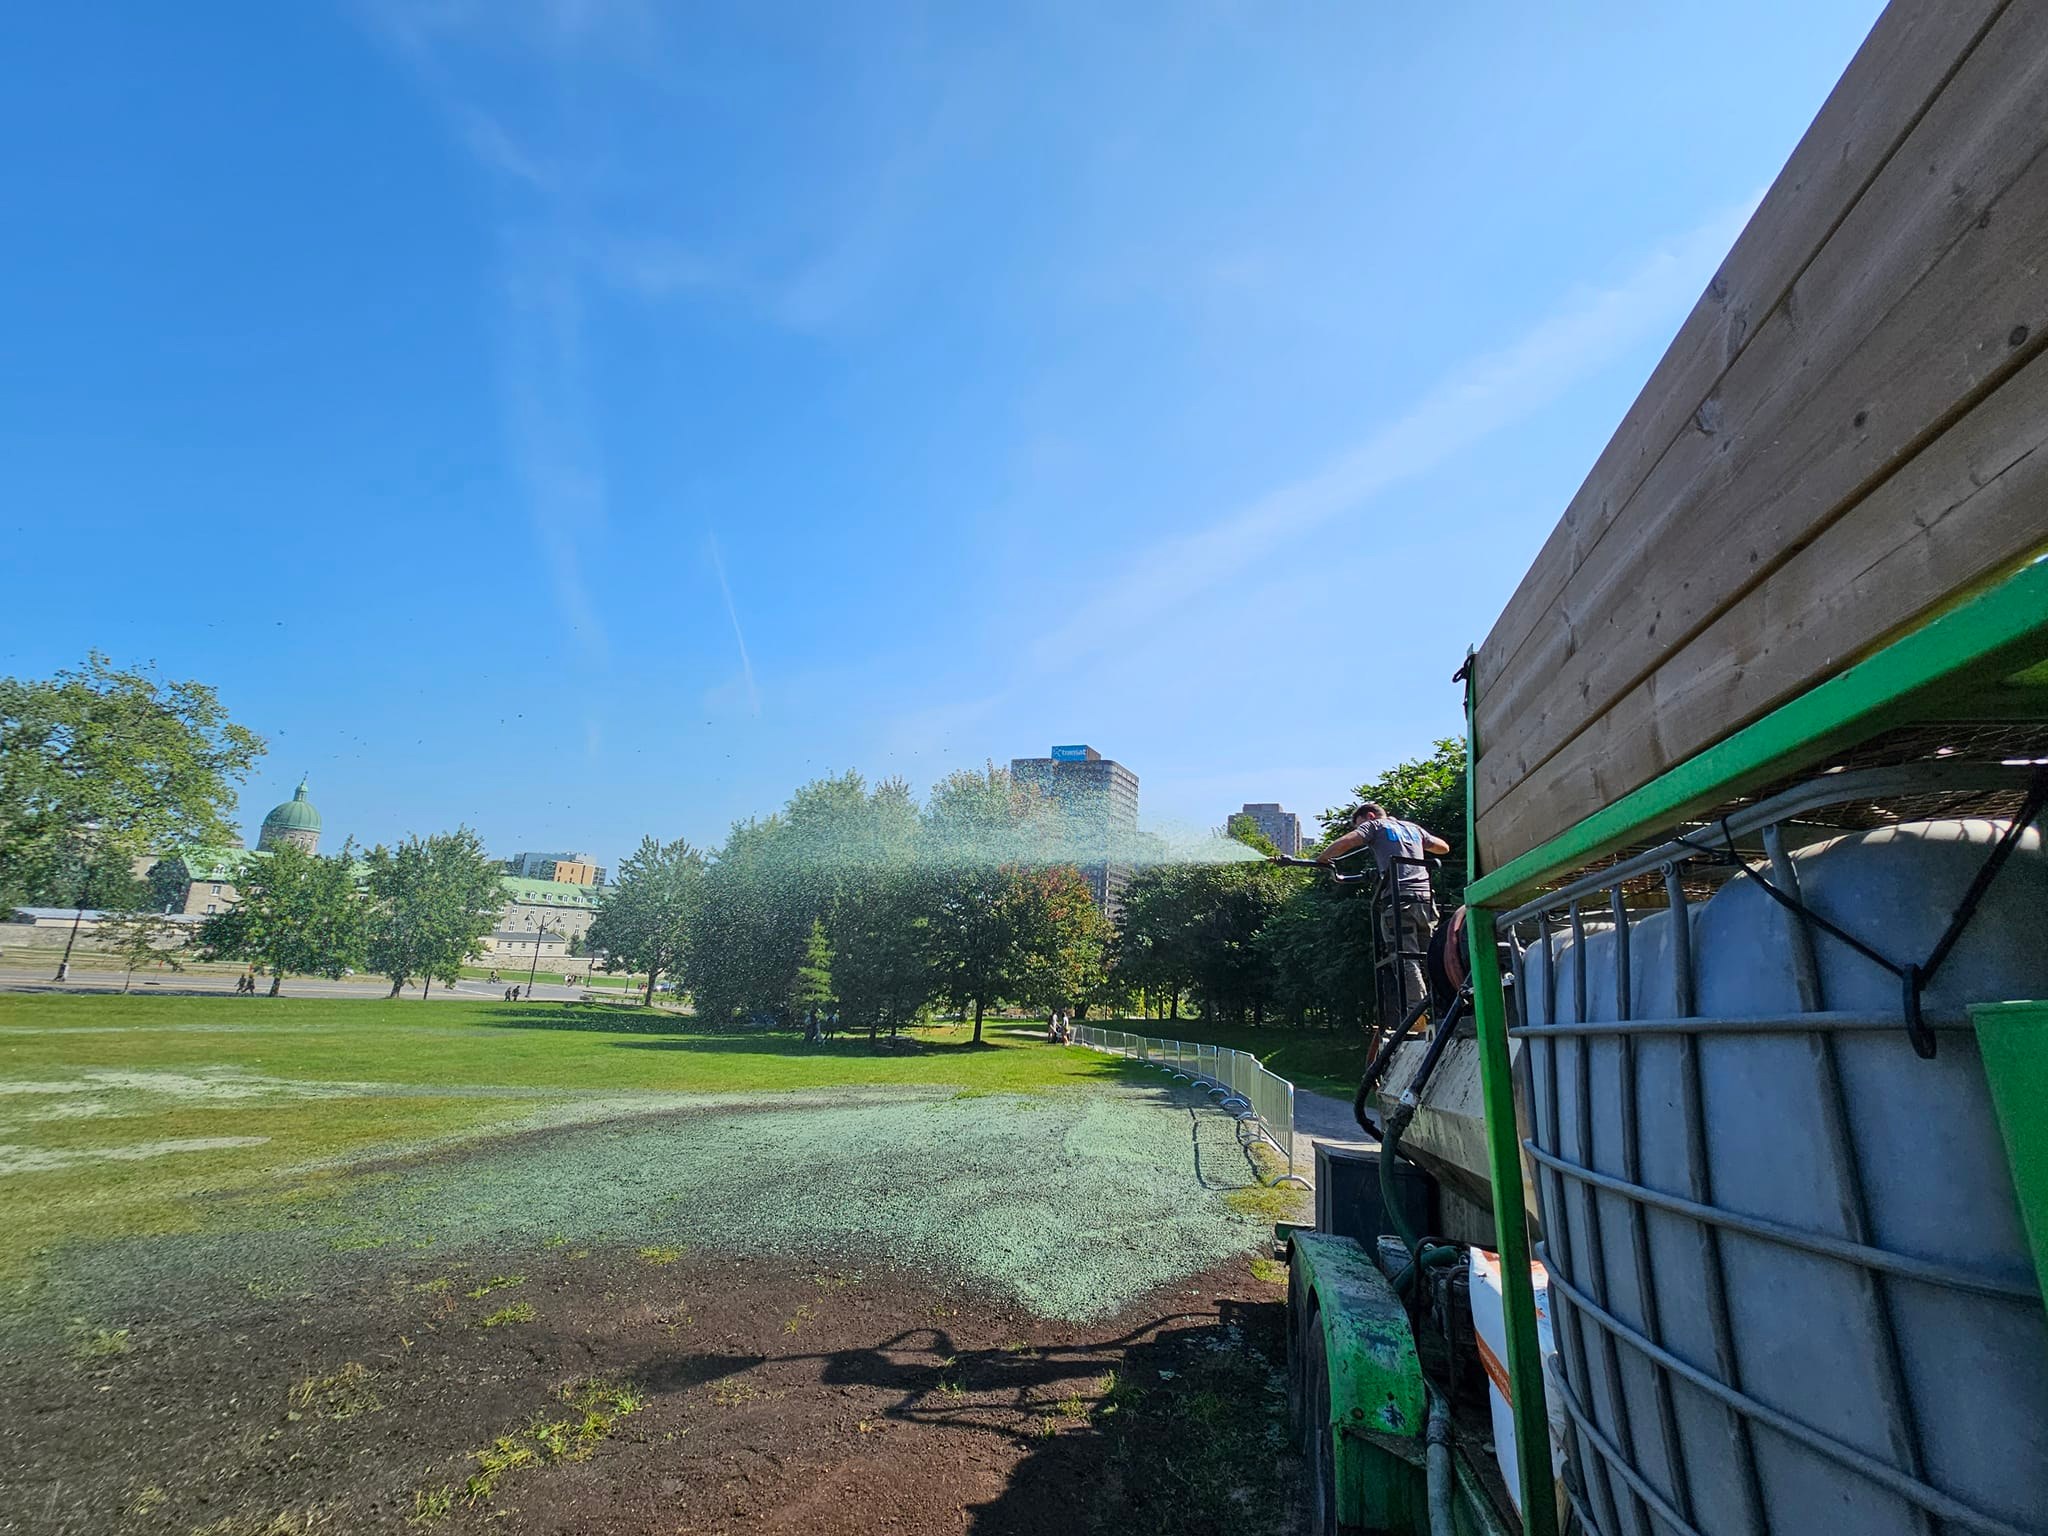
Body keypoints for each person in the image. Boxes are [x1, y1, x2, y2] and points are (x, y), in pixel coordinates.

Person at [1317, 802, 1449, 1015]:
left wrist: (1323, 859)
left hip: (1399, 901)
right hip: (1425, 900)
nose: (1359, 828)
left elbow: (1346, 842)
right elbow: (1443, 847)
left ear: (1369, 815)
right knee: (1429, 957)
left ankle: (1418, 1014)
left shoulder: (1375, 825)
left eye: (1359, 824)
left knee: (1405, 957)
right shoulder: (1413, 828)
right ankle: (1443, 1008)